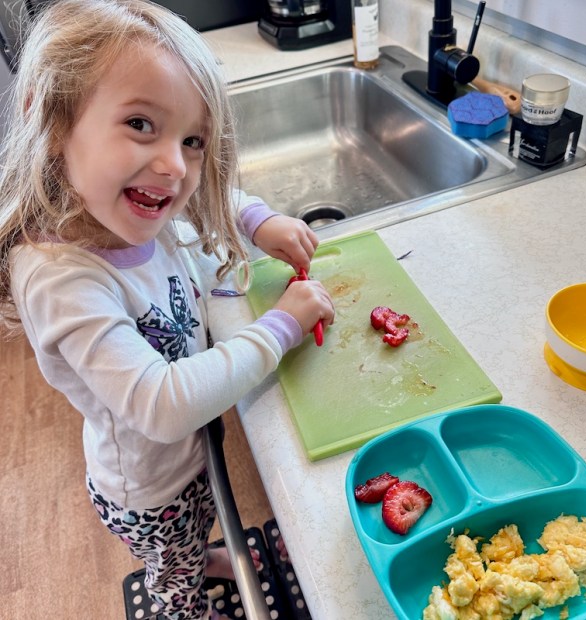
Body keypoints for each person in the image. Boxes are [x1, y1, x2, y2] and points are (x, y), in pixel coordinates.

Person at [0, 0, 335, 618]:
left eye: (192, 140)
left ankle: (200, 559)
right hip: (151, 491)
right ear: (50, 122)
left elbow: (203, 195)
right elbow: (162, 405)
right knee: (173, 577)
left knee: (195, 538)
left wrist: (258, 220)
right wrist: (282, 326)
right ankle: (184, 597)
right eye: (140, 125)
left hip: (186, 460)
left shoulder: (122, 205)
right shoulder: (61, 278)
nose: (174, 166)